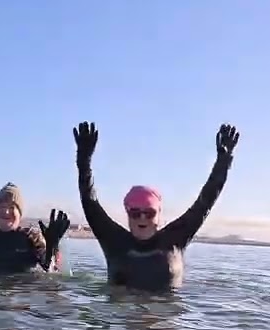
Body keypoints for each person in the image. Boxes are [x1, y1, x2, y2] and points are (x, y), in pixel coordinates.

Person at [73, 120, 240, 291]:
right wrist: (84, 162)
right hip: (120, 317)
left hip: (163, 316)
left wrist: (223, 162)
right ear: (128, 213)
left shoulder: (176, 237)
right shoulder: (114, 240)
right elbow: (89, 201)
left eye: (149, 212)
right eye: (136, 212)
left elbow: (205, 202)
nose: (142, 218)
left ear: (159, 214)